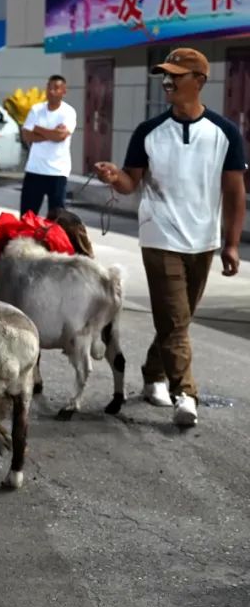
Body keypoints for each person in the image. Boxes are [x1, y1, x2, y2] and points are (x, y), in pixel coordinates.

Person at [95, 48, 246, 427]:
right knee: (176, 320)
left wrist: (230, 243)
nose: (168, 82)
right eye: (165, 75)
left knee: (176, 319)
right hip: (159, 235)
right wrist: (116, 177)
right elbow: (132, 182)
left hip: (203, 240)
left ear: (199, 81)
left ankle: (152, 374)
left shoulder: (225, 133)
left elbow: (234, 192)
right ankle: (186, 394)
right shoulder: (148, 132)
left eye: (177, 75)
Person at [20, 75, 76, 217]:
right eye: (49, 88)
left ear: (64, 91)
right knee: (27, 216)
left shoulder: (68, 112)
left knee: (56, 218)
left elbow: (60, 137)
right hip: (35, 169)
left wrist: (38, 129)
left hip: (57, 171)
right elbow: (26, 135)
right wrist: (52, 133)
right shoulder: (36, 109)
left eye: (56, 88)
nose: (51, 91)